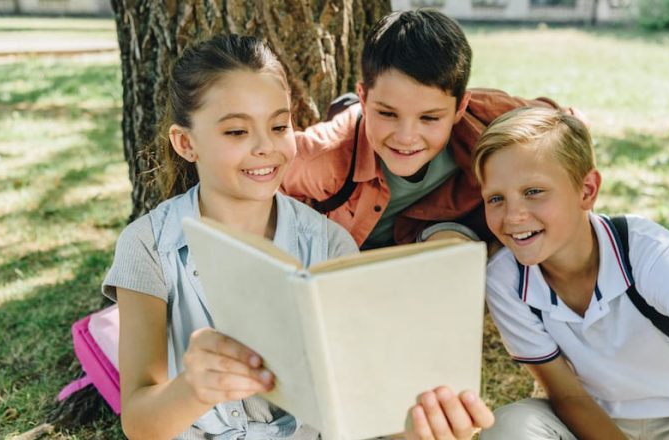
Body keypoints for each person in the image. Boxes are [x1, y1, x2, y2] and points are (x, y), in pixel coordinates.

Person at [102, 34, 359, 439]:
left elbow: (355, 395)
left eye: (279, 125)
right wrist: (194, 388)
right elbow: (139, 423)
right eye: (237, 132)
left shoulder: (331, 245)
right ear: (186, 143)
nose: (266, 147)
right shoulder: (146, 246)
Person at [472, 107, 669, 439]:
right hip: (592, 421)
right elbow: (568, 396)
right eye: (496, 199)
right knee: (510, 427)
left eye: (533, 192)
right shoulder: (505, 280)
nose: (513, 215)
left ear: (587, 190)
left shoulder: (654, 255)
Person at [282, 9, 576, 250]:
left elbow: (566, 125)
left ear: (460, 107)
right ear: (364, 97)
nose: (407, 136)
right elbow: (261, 179)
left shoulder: (488, 117)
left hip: (429, 234)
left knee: (452, 254)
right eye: (387, 113)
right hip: (354, 257)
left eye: (430, 118)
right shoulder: (325, 157)